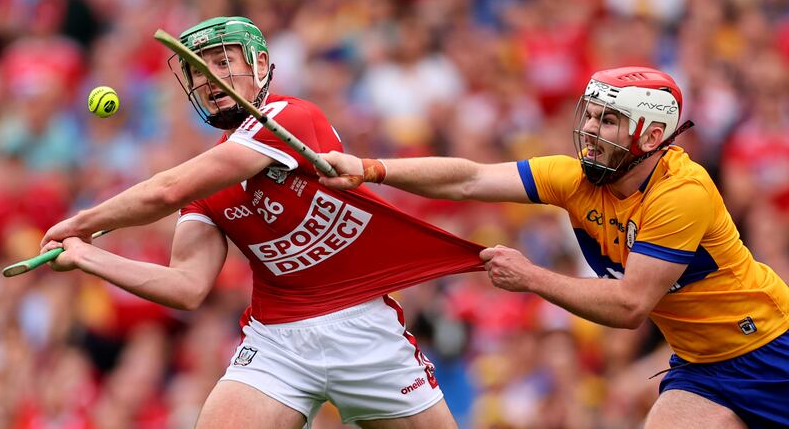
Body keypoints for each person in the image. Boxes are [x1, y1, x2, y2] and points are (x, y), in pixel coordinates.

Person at [39, 16, 485, 429]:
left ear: (261, 65)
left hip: (363, 327)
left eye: (222, 61)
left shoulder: (291, 117)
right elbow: (186, 286)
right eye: (197, 70)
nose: (209, 78)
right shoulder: (207, 182)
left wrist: (83, 221)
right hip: (277, 343)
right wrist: (87, 255)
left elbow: (166, 191)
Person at [318, 66, 789, 428]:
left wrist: (531, 278)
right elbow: (470, 178)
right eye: (591, 115)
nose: (591, 130)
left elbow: (630, 305)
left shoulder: (681, 194)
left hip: (771, 350)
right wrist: (372, 168)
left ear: (650, 135)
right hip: (702, 367)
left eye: (609, 121)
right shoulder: (575, 178)